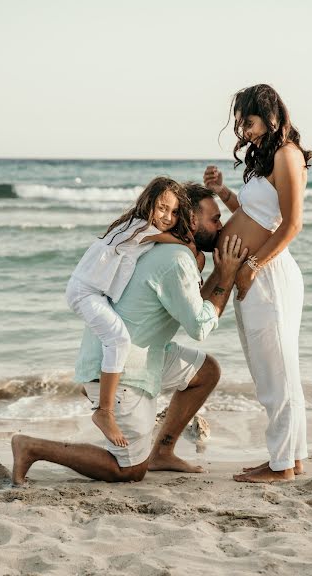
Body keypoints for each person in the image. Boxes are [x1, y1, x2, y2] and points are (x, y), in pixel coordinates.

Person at [11, 184, 247, 485]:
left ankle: (162, 453)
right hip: (122, 372)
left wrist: (216, 271)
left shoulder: (170, 251)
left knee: (206, 370)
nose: (221, 226)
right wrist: (225, 275)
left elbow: (190, 305)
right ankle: (31, 447)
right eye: (215, 219)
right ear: (193, 220)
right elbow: (199, 326)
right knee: (129, 471)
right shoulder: (175, 258)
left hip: (143, 357)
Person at [204, 83, 312, 483]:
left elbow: (291, 224)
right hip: (255, 273)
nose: (243, 131)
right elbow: (253, 213)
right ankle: (291, 458)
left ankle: (281, 465)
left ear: (269, 115)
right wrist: (223, 193)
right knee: (274, 371)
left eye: (247, 122)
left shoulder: (287, 154)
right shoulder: (268, 156)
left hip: (268, 274)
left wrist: (250, 264)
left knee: (276, 372)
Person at [66, 177, 200, 447]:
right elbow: (168, 239)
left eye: (174, 212)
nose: (167, 217)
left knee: (112, 338)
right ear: (148, 203)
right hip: (85, 293)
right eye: (162, 208)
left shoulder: (137, 227)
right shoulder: (140, 226)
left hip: (95, 293)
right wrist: (188, 245)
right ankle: (104, 411)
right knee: (119, 340)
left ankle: (92, 386)